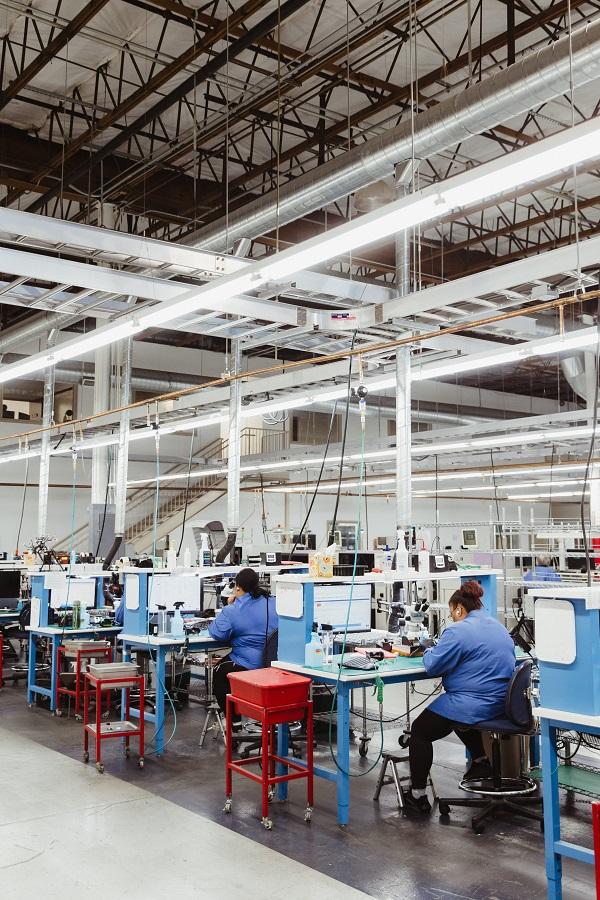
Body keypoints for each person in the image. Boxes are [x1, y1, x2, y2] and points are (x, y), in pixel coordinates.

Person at [403, 580, 516, 814]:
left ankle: (417, 795)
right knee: (454, 713)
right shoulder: (498, 626)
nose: (452, 617)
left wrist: (428, 649)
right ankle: (480, 761)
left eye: (452, 612)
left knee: (420, 731)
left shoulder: (458, 630)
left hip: (473, 704)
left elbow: (433, 666)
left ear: (458, 609)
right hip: (501, 703)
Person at [209, 567, 278, 730]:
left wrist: (228, 607)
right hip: (274, 664)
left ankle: (234, 722)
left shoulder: (233, 609)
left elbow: (217, 633)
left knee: (219, 670)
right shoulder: (273, 602)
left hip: (248, 664)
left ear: (238, 588)